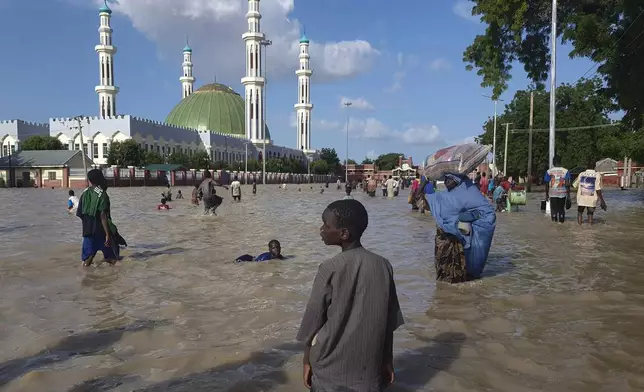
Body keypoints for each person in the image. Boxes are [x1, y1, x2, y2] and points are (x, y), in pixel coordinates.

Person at [297, 199, 404, 391]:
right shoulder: (383, 265)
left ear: (344, 233)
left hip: (329, 372)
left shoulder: (328, 268)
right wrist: (387, 359)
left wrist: (307, 360)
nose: (321, 229)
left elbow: (312, 323)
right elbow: (388, 322)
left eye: (326, 225)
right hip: (369, 372)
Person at [426, 173, 496, 282]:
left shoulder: (468, 192)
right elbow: (432, 197)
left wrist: (468, 217)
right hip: (445, 237)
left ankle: (457, 291)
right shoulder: (447, 195)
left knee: (456, 270)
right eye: (445, 179)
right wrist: (426, 180)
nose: (445, 182)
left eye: (449, 179)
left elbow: (487, 213)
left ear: (457, 180)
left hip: (457, 238)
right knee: (443, 271)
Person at [76, 169, 126, 267]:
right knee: (112, 259)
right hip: (100, 231)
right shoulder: (102, 195)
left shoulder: (84, 194)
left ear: (89, 180)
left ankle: (85, 278)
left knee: (88, 259)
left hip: (87, 230)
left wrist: (87, 226)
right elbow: (103, 216)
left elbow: (80, 214)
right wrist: (107, 234)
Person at [573, 160, 607, 225]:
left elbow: (574, 185)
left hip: (581, 198)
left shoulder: (581, 174)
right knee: (590, 213)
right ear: (595, 166)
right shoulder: (597, 175)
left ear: (586, 166)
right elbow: (598, 189)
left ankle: (579, 227)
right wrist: (602, 200)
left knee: (580, 212)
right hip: (591, 199)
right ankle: (590, 229)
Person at [544, 156, 571, 224]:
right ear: (561, 161)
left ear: (553, 162)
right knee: (561, 209)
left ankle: (554, 224)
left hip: (553, 193)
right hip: (562, 193)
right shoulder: (565, 171)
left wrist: (546, 195)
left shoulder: (549, 171)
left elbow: (547, 185)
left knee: (553, 210)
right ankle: (561, 224)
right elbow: (567, 184)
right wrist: (569, 196)